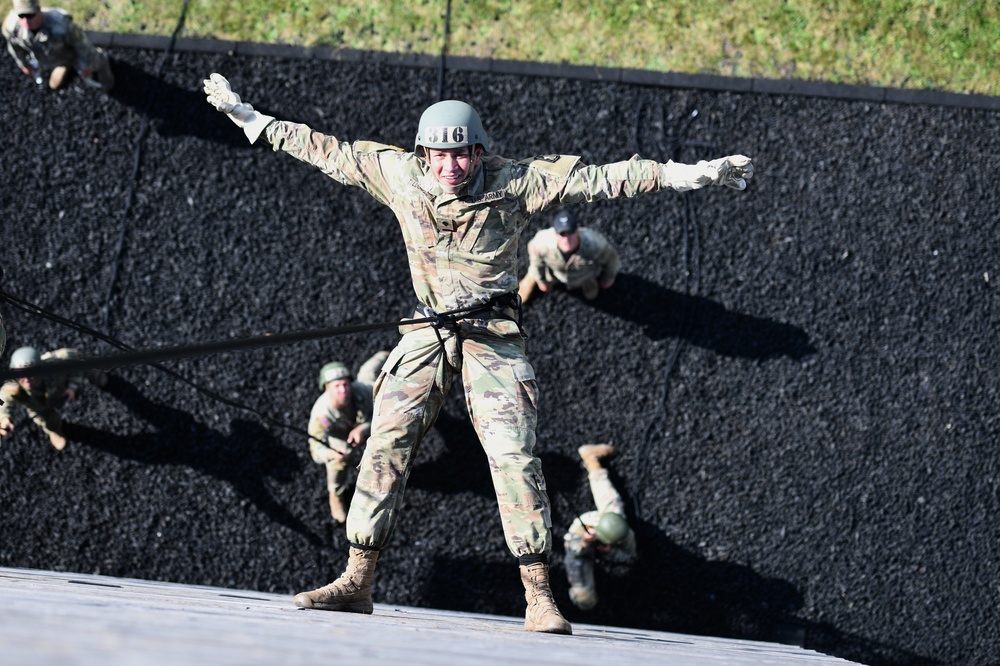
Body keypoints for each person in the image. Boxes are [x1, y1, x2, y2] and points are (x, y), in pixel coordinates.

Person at [203, 72, 752, 636]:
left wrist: (692, 174)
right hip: (427, 330)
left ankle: (538, 596)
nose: (449, 167)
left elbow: (603, 179)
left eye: (460, 155)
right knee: (387, 440)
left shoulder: (514, 185)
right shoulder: (401, 176)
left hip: (492, 333)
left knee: (514, 455)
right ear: (424, 155)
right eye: (438, 155)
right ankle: (358, 579)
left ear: (479, 152)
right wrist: (249, 117)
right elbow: (327, 151)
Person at [308, 350, 389, 524]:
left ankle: (386, 353)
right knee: (338, 464)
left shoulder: (362, 391)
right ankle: (335, 494)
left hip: (367, 421)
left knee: (370, 373)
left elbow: (383, 411)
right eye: (336, 386)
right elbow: (315, 449)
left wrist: (363, 429)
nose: (343, 390)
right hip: (340, 438)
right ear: (326, 389)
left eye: (345, 384)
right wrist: (331, 454)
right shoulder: (322, 414)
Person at [563, 444, 637, 611]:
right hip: (582, 542)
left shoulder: (620, 528)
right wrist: (585, 543)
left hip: (608, 525)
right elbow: (572, 551)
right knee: (584, 598)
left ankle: (591, 460)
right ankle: (584, 602)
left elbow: (630, 556)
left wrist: (611, 552)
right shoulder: (585, 527)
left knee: (613, 506)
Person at [0, 346, 108, 450]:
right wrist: (4, 418)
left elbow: (78, 361)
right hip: (39, 403)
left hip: (61, 386)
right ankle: (55, 430)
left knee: (91, 371)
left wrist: (72, 387)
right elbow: (2, 398)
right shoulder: (13, 385)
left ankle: (95, 375)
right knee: (46, 419)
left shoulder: (57, 362)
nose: (27, 379)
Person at [2, 0, 114, 91]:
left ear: (39, 11)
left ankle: (103, 67)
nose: (26, 21)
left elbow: (81, 44)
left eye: (30, 15)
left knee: (95, 63)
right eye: (21, 16)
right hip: (54, 59)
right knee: (54, 85)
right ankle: (65, 67)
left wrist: (86, 65)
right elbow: (15, 48)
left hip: (73, 55)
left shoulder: (61, 25)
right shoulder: (12, 28)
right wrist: (23, 64)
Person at [518, 210, 620, 304]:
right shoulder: (542, 243)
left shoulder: (594, 243)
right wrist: (541, 281)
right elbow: (536, 261)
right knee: (535, 271)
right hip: (554, 273)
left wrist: (609, 278)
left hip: (584, 275)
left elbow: (612, 259)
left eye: (570, 232)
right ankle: (532, 278)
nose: (567, 239)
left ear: (577, 231)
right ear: (555, 234)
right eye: (562, 234)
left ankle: (588, 282)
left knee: (592, 292)